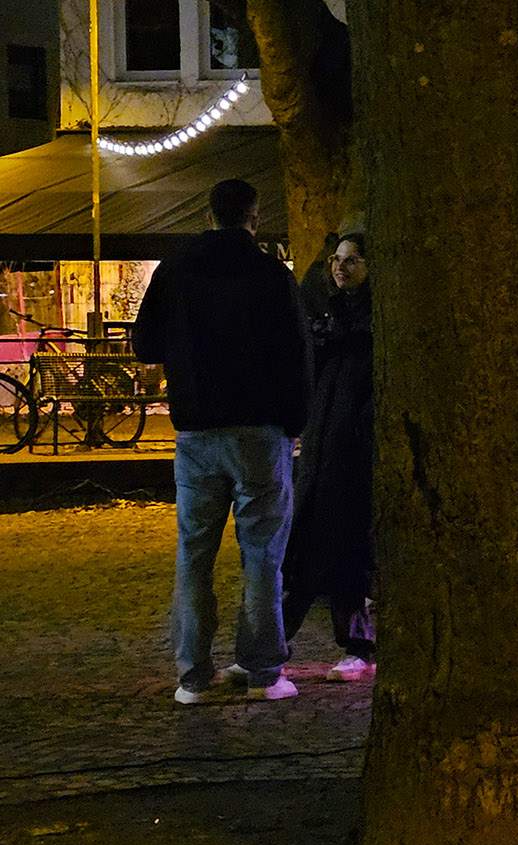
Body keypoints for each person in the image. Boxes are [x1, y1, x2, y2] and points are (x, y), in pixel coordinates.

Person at [132, 178, 310, 704]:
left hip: (196, 429)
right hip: (260, 429)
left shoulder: (176, 269)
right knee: (262, 554)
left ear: (209, 215)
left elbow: (145, 344)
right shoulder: (272, 276)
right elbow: (298, 356)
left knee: (194, 551)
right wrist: (294, 423)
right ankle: (261, 669)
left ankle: (192, 674)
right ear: (253, 218)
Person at [281, 234, 377, 681]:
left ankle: (351, 642)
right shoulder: (329, 315)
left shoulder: (369, 324)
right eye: (337, 260)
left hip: (351, 450)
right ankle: (278, 643)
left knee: (341, 544)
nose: (342, 267)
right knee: (312, 540)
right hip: (323, 444)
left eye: (352, 260)